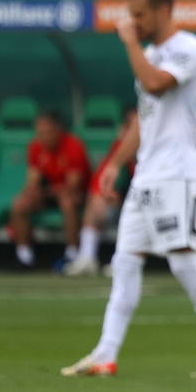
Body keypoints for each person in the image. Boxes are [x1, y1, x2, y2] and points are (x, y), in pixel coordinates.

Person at [62, 0, 196, 379]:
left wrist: (128, 45)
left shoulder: (189, 49)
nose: (133, 22)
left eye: (139, 15)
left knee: (182, 263)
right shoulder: (151, 53)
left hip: (177, 174)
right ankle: (105, 354)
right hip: (147, 175)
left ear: (163, 10)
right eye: (130, 16)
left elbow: (157, 86)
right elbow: (144, 122)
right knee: (124, 262)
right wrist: (113, 163)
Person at [10, 110, 91, 269]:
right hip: (50, 193)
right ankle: (24, 257)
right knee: (19, 204)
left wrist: (45, 191)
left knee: (67, 201)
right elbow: (33, 180)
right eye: (40, 133)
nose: (44, 137)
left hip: (78, 195)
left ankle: (72, 254)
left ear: (58, 129)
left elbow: (72, 185)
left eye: (48, 132)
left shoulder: (74, 145)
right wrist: (32, 192)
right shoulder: (35, 146)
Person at [65, 107, 138, 277]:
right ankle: (86, 257)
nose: (134, 131)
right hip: (128, 200)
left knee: (134, 209)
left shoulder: (159, 147)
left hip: (159, 199)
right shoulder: (120, 148)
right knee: (95, 202)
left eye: (138, 126)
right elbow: (103, 178)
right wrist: (104, 196)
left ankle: (124, 260)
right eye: (130, 126)